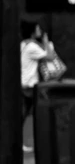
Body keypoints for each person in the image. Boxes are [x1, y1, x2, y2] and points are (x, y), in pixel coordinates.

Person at [20, 20, 58, 153]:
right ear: (32, 31)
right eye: (38, 29)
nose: (40, 31)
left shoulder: (23, 44)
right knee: (42, 114)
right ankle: (44, 142)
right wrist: (46, 40)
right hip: (31, 87)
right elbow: (51, 56)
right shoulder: (32, 47)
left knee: (24, 115)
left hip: (24, 85)